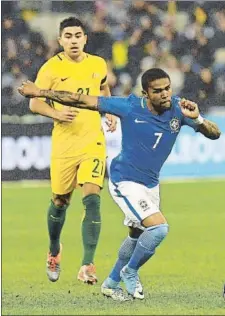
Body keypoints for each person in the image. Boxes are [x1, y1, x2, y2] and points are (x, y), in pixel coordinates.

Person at [18, 68, 221, 301]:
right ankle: (130, 271)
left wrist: (197, 119)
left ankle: (111, 282)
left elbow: (215, 134)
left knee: (136, 235)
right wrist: (40, 92)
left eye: (167, 88)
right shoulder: (130, 106)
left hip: (150, 184)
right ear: (145, 93)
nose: (165, 94)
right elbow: (79, 99)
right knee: (158, 228)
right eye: (158, 91)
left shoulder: (178, 108)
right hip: (124, 179)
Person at [24, 16, 117, 285]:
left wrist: (108, 110)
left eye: (78, 35)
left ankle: (88, 264)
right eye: (68, 36)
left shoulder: (97, 63)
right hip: (65, 144)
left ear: (85, 38)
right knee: (60, 202)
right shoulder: (51, 69)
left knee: (92, 199)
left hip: (93, 142)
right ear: (60, 40)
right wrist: (57, 112)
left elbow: (103, 87)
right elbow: (34, 104)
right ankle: (54, 249)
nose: (74, 40)